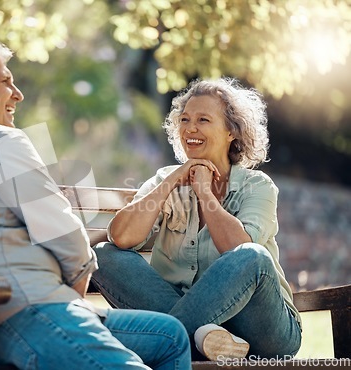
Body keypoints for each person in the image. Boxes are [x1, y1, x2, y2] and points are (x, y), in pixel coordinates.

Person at [0, 29, 192, 369]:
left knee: (169, 335)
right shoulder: (1, 141)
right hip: (26, 312)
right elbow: (70, 243)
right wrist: (68, 302)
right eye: (6, 81)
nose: (18, 94)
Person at [91, 78, 302, 361]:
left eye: (203, 119)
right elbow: (121, 237)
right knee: (104, 255)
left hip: (263, 330)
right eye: (184, 119)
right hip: (204, 333)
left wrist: (204, 191)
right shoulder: (165, 179)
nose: (190, 128)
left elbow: (236, 247)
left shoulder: (257, 186)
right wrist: (172, 181)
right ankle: (204, 338)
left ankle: (164, 342)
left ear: (231, 132)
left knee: (252, 256)